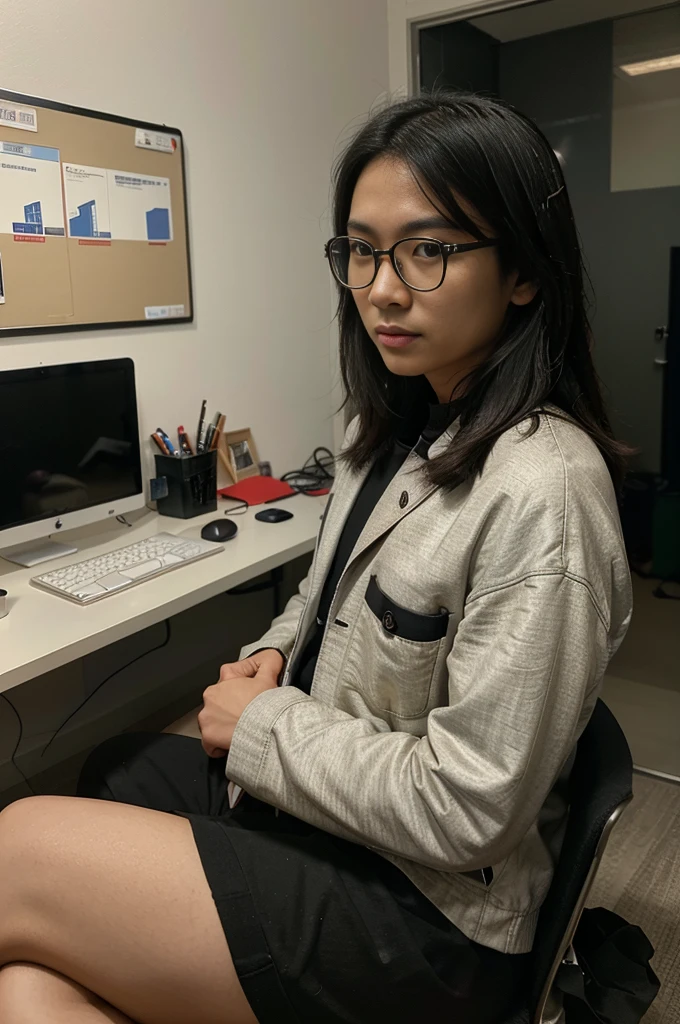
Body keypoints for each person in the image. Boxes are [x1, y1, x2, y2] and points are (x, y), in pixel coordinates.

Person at [0, 92, 632, 1024]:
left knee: (22, 847)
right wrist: (275, 651)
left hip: (427, 913)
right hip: (331, 811)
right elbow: (328, 593)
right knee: (106, 805)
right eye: (363, 250)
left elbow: (469, 812)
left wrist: (260, 727)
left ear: (525, 274)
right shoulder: (396, 424)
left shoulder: (543, 492)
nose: (382, 288)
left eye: (430, 249)